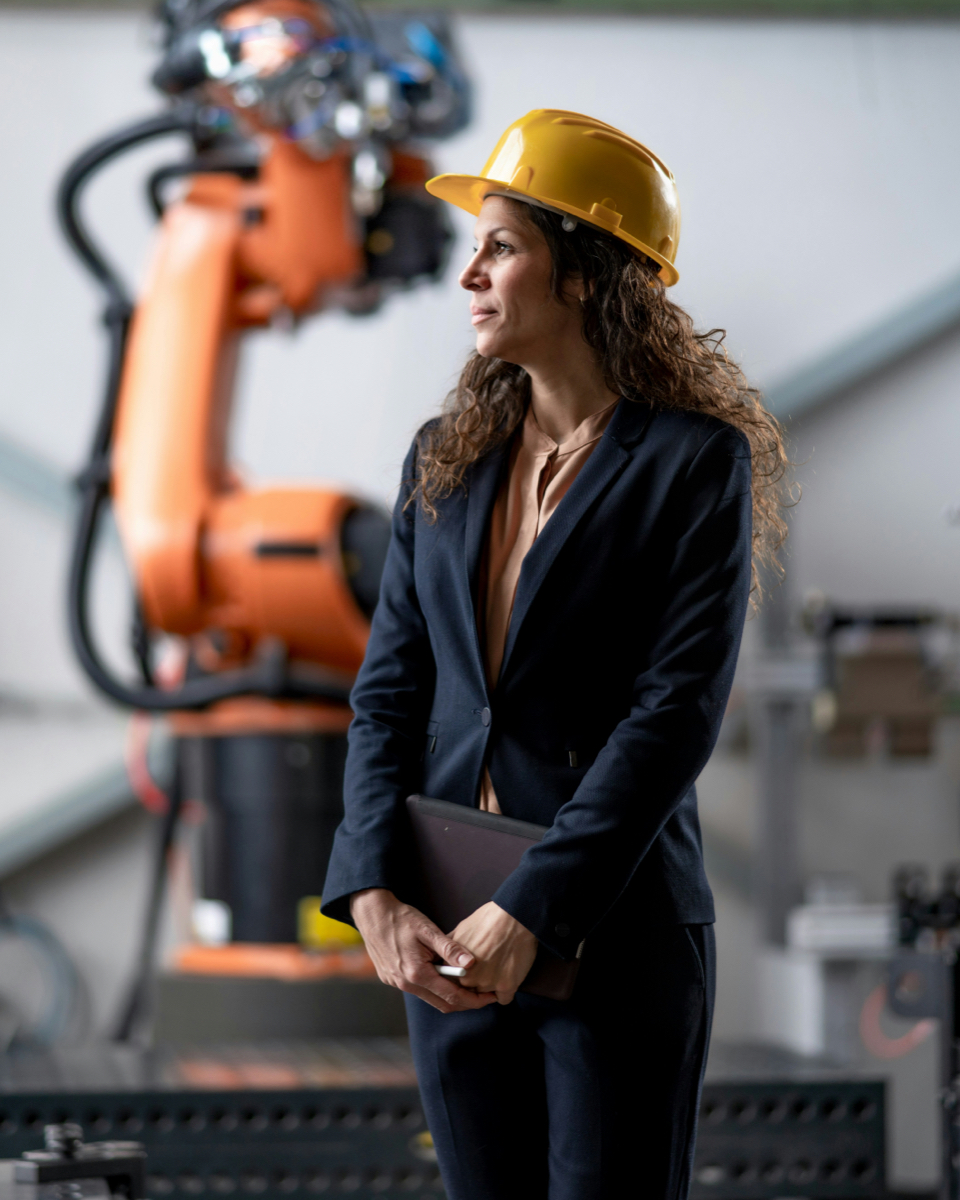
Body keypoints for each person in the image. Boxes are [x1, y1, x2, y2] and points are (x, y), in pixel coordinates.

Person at [321, 109, 789, 1199]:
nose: (468, 274)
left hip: (611, 937)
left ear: (581, 273)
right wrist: (372, 885)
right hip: (442, 937)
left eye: (501, 246)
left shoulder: (691, 464)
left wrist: (530, 906)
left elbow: (673, 716)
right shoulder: (444, 460)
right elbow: (389, 689)